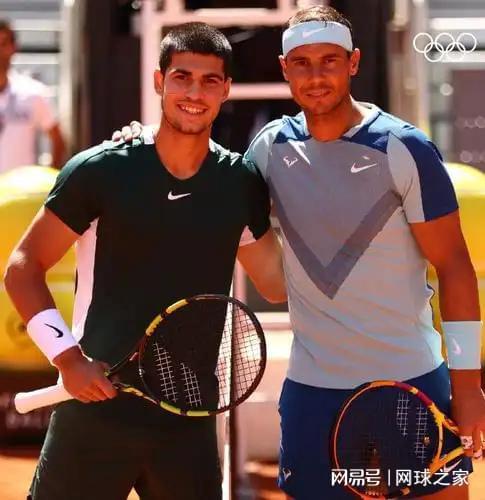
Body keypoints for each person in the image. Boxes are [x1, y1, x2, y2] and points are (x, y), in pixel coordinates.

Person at [116, 6, 485, 500]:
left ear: (354, 62)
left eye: (329, 61)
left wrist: (467, 386)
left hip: (412, 382)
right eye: (302, 63)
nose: (316, 77)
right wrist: (141, 144)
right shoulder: (269, 149)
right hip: (313, 392)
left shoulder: (405, 148)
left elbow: (454, 268)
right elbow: (206, 182)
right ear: (284, 68)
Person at [4, 22, 286, 500]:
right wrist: (68, 359)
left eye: (209, 80)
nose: (194, 93)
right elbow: (23, 268)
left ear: (226, 90)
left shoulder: (240, 183)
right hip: (94, 417)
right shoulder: (101, 169)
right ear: (159, 81)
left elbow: (276, 285)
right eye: (181, 77)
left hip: (188, 420)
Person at [0, 18, 65, 172]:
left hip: (19, 186)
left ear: (14, 47)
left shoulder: (33, 92)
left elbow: (58, 140)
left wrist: (49, 180)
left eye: (3, 44)